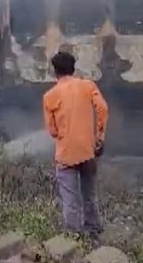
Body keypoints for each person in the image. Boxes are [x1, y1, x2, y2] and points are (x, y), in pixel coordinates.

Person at [43, 51, 108, 246]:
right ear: (74, 68)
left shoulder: (50, 96)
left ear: (55, 72)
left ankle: (74, 239)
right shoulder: (87, 86)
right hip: (88, 152)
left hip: (66, 156)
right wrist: (99, 137)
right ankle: (93, 230)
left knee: (70, 200)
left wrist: (62, 132)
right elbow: (103, 108)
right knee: (89, 194)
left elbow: (52, 131)